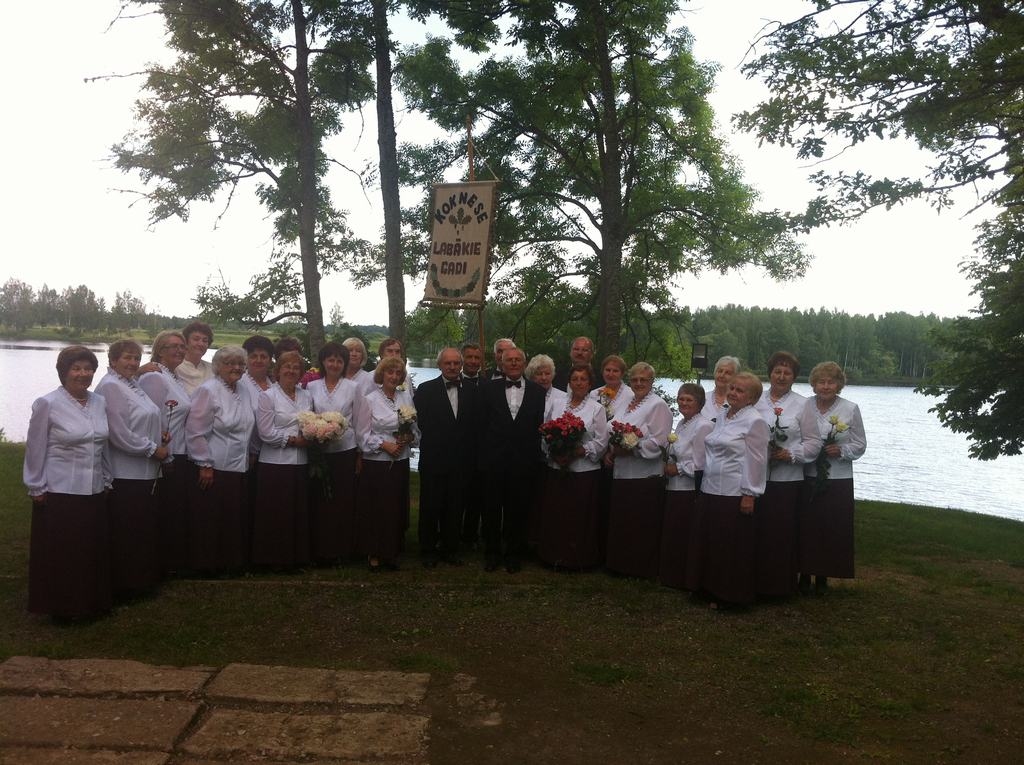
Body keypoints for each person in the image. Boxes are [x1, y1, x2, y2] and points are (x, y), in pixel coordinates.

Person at [23, 346, 113, 619]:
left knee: (90, 549)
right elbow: (35, 448)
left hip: (94, 488)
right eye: (77, 368)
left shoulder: (99, 402)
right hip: (61, 490)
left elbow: (102, 444)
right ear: (64, 372)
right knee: (64, 552)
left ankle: (91, 602)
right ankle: (61, 606)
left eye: (88, 369)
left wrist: (106, 478)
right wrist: (36, 485)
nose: (83, 374)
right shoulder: (47, 404)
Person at [95, 340, 168, 598]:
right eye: (127, 357)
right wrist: (152, 448)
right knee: (128, 531)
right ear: (113, 360)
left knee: (141, 529)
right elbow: (118, 434)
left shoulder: (131, 384)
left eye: (137, 358)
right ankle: (125, 585)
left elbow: (143, 418)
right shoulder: (111, 386)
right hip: (126, 472)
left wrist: (159, 435)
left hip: (144, 471)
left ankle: (141, 580)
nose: (133, 363)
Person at [694, 372, 770, 609]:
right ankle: (708, 588)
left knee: (731, 546)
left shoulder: (754, 421)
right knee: (711, 541)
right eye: (733, 388)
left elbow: (757, 460)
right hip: (711, 488)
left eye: (740, 390)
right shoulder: (723, 415)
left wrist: (750, 493)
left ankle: (732, 595)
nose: (734, 393)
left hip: (734, 492)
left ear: (752, 398)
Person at [754, 351, 821, 597]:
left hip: (788, 481)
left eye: (787, 373)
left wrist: (789, 454)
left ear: (794, 377)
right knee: (756, 531)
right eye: (777, 371)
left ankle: (780, 586)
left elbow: (814, 443)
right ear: (769, 374)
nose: (781, 376)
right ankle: (754, 581)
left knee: (781, 533)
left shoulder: (804, 405)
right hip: (756, 477)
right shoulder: (755, 399)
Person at [185, 345, 255, 574]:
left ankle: (230, 562)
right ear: (218, 366)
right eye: (229, 363)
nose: (236, 368)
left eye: (240, 364)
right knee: (211, 518)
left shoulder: (243, 389)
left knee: (232, 516)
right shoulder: (209, 390)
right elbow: (196, 431)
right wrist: (204, 463)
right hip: (215, 465)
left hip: (239, 464)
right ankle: (207, 565)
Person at [799, 361, 867, 594]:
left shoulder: (850, 408)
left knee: (831, 526)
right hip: (807, 474)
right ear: (814, 384)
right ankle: (803, 573)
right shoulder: (804, 405)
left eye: (831, 382)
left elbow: (860, 444)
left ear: (839, 384)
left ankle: (823, 576)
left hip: (837, 478)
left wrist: (842, 451)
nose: (826, 386)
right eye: (821, 382)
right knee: (807, 526)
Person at [477, 347, 546, 572]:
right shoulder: (488, 388)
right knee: (492, 510)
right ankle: (492, 553)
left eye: (518, 360)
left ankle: (513, 554)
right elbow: (481, 425)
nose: (514, 363)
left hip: (523, 461)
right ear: (502, 364)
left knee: (518, 509)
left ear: (524, 363)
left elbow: (538, 427)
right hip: (494, 460)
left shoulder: (537, 391)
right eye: (510, 360)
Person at [603, 362, 673, 578]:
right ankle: (620, 564)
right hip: (622, 472)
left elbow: (659, 443)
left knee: (641, 523)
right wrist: (611, 451)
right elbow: (613, 428)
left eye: (644, 379)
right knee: (623, 520)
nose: (639, 383)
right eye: (634, 380)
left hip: (644, 476)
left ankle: (641, 568)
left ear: (652, 381)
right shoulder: (627, 403)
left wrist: (632, 449)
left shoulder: (658, 405)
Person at [538, 364, 609, 570]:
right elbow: (546, 431)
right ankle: (553, 555)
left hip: (583, 472)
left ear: (589, 383)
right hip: (557, 467)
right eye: (575, 379)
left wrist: (578, 451)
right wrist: (554, 452)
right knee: (557, 513)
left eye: (583, 379)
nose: (579, 383)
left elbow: (601, 441)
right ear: (569, 382)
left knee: (578, 516)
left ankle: (577, 559)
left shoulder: (597, 408)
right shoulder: (558, 404)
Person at [414, 348, 479, 567]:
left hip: (462, 461)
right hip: (434, 458)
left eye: (455, 363)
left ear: (461, 365)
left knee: (455, 506)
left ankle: (451, 549)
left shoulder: (473, 390)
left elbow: (475, 426)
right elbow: (419, 424)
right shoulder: (425, 390)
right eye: (447, 363)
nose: (452, 367)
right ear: (440, 365)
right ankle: (428, 550)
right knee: (431, 506)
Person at [356, 356, 419, 571]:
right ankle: (374, 553)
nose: (394, 376)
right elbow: (362, 435)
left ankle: (391, 552)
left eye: (398, 373)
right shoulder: (369, 399)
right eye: (389, 372)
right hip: (377, 464)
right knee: (377, 509)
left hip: (400, 462)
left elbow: (415, 431)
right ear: (381, 374)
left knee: (395, 509)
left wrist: (409, 438)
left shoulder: (406, 398)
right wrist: (384, 445)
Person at [252, 350, 313, 570]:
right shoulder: (268, 396)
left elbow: (310, 424)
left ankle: (296, 556)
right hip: (275, 463)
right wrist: (293, 440)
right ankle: (272, 558)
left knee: (296, 510)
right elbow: (265, 432)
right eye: (287, 367)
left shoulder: (306, 396)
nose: (291, 371)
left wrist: (315, 433)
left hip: (300, 462)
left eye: (296, 368)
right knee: (276, 511)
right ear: (277, 371)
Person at [138, 330, 192, 574]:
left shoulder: (173, 376)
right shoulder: (155, 377)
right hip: (168, 454)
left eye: (182, 346)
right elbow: (153, 417)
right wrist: (164, 452)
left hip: (181, 451)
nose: (180, 350)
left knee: (175, 509)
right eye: (174, 346)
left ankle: (172, 561)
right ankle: (163, 564)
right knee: (167, 509)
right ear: (160, 350)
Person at [306, 342, 364, 564]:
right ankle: (319, 550)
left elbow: (359, 421)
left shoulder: (352, 388)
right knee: (320, 501)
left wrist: (359, 453)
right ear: (323, 361)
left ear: (344, 364)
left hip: (345, 451)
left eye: (339, 360)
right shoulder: (312, 387)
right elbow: (307, 415)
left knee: (342, 501)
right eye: (331, 360)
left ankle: (341, 550)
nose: (335, 364)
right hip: (319, 452)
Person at [658, 383, 714, 590]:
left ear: (699, 402)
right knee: (673, 531)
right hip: (673, 487)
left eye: (689, 399)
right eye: (681, 399)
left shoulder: (703, 426)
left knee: (684, 532)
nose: (684, 403)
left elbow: (702, 464)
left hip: (689, 490)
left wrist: (679, 469)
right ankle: (670, 574)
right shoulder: (682, 423)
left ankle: (684, 577)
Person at [176, 321, 215, 394]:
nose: (200, 344)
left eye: (205, 340)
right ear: (186, 342)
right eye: (196, 339)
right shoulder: (175, 368)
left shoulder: (213, 369)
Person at [527, 353, 567, 421]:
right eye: (539, 374)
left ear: (553, 375)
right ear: (532, 376)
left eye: (547, 373)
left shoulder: (564, 397)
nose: (544, 378)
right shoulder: (525, 395)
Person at [702, 355, 740, 421]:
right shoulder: (702, 399)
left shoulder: (739, 403)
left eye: (727, 373)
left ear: (736, 377)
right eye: (720, 371)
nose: (722, 375)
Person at [590, 354, 629, 421]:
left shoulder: (631, 394)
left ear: (622, 374)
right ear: (602, 371)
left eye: (615, 371)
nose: (610, 374)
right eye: (608, 370)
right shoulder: (594, 393)